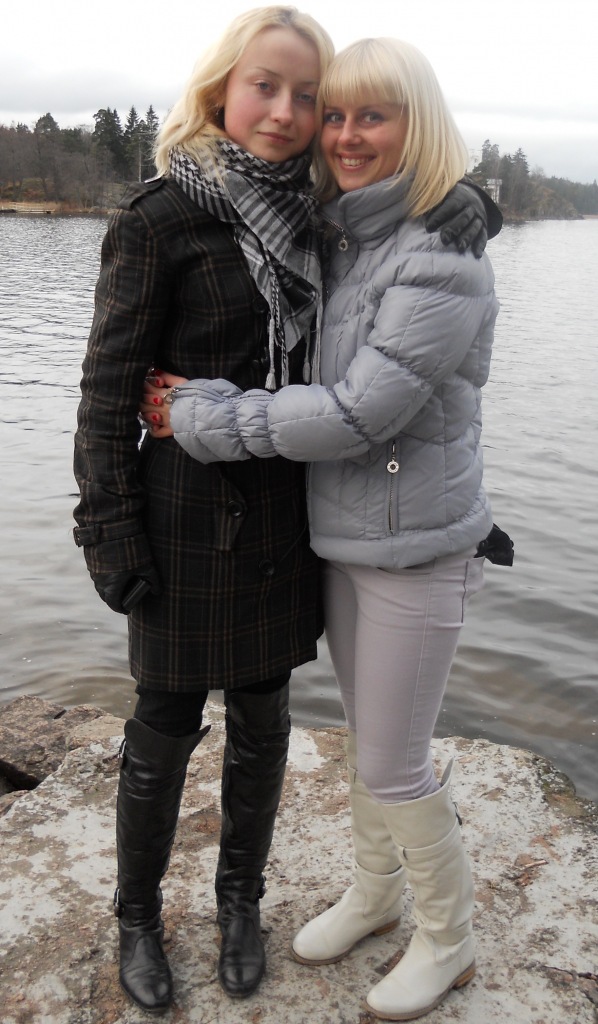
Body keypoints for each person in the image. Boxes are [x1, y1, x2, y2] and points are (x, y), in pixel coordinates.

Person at [74, 6, 498, 1014]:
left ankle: (240, 905)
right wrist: (107, 527)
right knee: (164, 724)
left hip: (284, 514)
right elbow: (106, 391)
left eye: (308, 96)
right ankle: (138, 917)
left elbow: (401, 235)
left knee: (265, 723)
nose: (289, 113)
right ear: (221, 88)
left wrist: (470, 197)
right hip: (182, 520)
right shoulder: (160, 219)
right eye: (266, 86)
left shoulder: (317, 217)